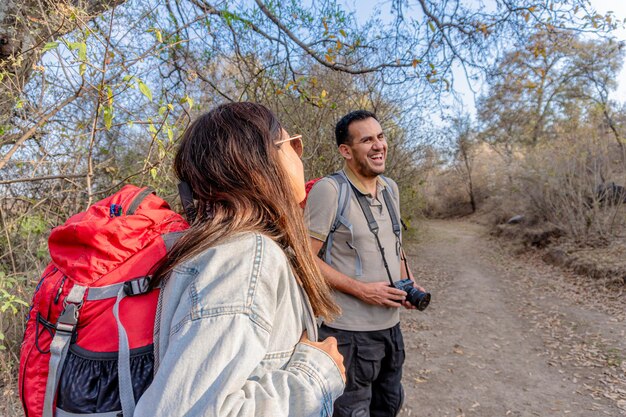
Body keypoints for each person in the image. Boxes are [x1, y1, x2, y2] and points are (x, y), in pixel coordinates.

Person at [134, 102, 346, 417]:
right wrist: (315, 374)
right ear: (260, 159)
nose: (300, 154)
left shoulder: (238, 249)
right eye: (293, 144)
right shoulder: (245, 256)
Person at [304, 110, 426, 417]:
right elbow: (304, 258)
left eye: (381, 137)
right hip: (347, 334)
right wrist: (362, 290)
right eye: (367, 139)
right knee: (351, 411)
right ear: (346, 151)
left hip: (390, 330)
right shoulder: (330, 191)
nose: (378, 145)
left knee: (388, 405)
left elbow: (395, 247)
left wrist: (409, 282)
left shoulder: (391, 188)